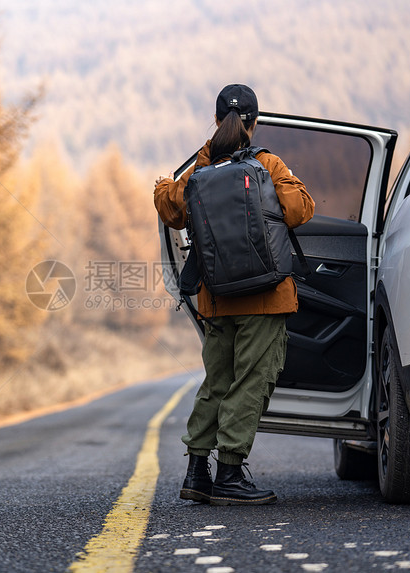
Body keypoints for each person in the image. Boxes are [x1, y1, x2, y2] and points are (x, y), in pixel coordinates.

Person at [154, 84, 315, 506]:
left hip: (217, 298)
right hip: (265, 299)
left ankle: (196, 471)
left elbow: (171, 210)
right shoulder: (268, 163)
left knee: (217, 382)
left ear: (215, 120)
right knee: (249, 383)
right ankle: (229, 473)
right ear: (254, 122)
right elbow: (300, 210)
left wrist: (161, 186)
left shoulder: (200, 170)